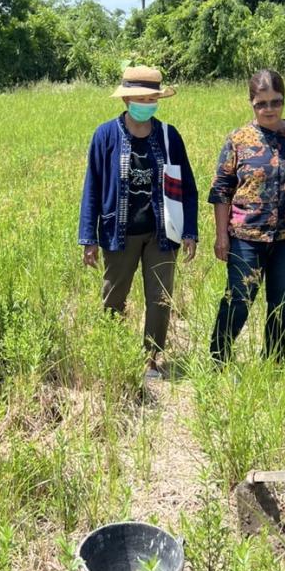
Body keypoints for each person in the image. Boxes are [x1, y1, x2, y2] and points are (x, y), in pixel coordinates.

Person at [78, 65, 198, 378]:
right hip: (119, 234)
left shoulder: (169, 136)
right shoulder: (105, 135)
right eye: (139, 97)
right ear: (126, 100)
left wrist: (190, 232)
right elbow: (92, 187)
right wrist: (88, 237)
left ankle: (152, 359)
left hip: (162, 233)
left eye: (151, 97)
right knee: (113, 296)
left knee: (160, 298)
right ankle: (113, 354)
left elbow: (188, 187)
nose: (145, 103)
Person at [208, 69, 285, 364]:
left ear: (284, 100)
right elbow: (221, 191)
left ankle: (274, 363)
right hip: (246, 239)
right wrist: (221, 235)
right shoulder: (238, 140)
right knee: (238, 300)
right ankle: (218, 359)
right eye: (261, 103)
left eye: (276, 102)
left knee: (283, 303)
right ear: (251, 103)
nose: (269, 109)